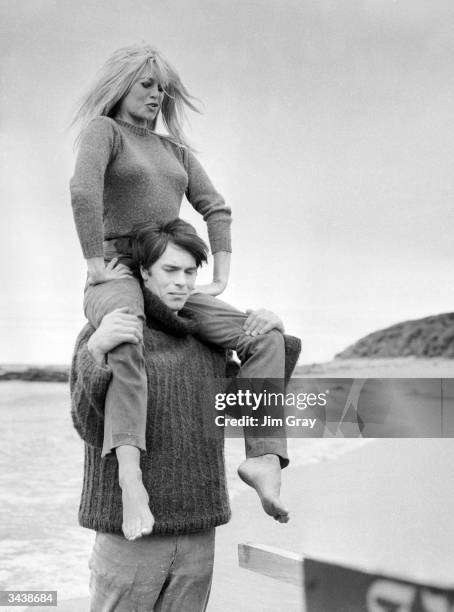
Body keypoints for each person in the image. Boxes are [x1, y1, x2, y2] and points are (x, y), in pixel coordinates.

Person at [70, 43, 290, 540]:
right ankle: (131, 480)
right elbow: (83, 191)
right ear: (121, 83)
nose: (156, 94)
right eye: (147, 84)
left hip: (168, 270)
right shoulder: (103, 132)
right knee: (125, 335)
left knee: (265, 336)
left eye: (161, 87)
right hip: (122, 271)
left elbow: (217, 208)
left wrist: (220, 280)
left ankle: (263, 460)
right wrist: (95, 265)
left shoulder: (176, 151)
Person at [70, 219, 301, 611]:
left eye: (190, 272)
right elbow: (88, 425)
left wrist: (276, 337)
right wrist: (95, 353)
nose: (181, 282)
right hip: (129, 536)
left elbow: (246, 403)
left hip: (198, 527)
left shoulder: (210, 341)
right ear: (144, 272)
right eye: (169, 270)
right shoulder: (108, 328)